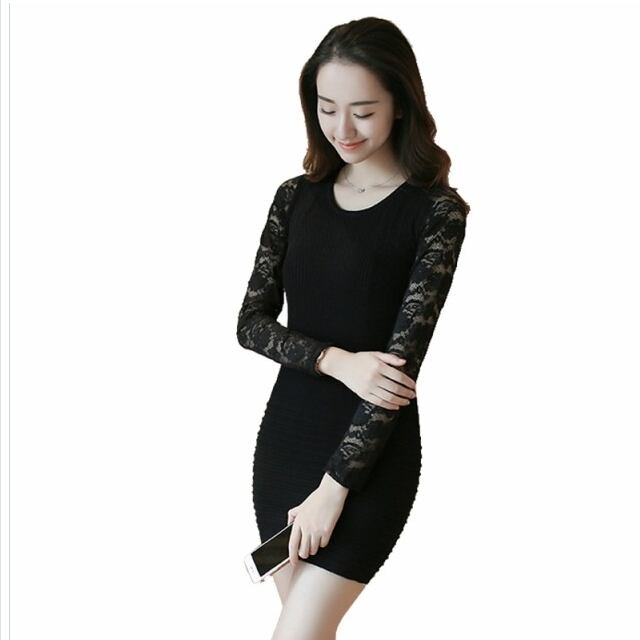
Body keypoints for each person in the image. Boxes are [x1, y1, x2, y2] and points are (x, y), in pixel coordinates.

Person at [236, 16, 471, 639]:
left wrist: (334, 488)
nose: (342, 129)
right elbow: (250, 325)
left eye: (363, 111)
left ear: (401, 104)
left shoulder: (436, 213)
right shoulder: (294, 198)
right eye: (327, 109)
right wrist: (336, 361)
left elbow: (396, 373)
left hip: (370, 457)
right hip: (286, 442)